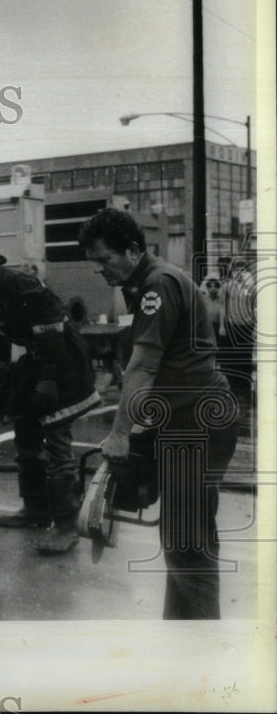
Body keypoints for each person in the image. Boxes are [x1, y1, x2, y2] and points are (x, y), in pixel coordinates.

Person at [78, 208, 239, 619]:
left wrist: (119, 432)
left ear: (132, 250)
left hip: (196, 424)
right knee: (181, 539)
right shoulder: (143, 282)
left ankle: (200, 653)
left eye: (105, 260)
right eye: (94, 262)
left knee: (188, 542)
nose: (99, 270)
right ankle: (182, 637)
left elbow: (143, 366)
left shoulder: (156, 284)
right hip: (188, 419)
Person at [0, 230, 100, 554]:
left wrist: (47, 379)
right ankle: (35, 509)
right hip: (37, 358)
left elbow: (50, 328)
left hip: (62, 359)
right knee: (25, 431)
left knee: (57, 440)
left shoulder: (17, 284)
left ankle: (66, 525)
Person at [219, 256, 256, 400]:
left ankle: (246, 389)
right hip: (232, 326)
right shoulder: (227, 286)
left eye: (242, 268)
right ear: (232, 270)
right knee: (232, 358)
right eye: (236, 268)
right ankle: (234, 389)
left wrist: (255, 328)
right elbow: (223, 306)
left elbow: (256, 307)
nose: (239, 271)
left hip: (247, 326)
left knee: (245, 358)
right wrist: (222, 325)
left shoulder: (252, 287)